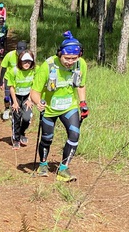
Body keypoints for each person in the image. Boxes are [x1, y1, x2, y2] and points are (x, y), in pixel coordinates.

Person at [30, 31, 89, 182]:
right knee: (47, 138)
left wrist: (83, 103)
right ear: (59, 54)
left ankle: (63, 168)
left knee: (74, 134)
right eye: (66, 58)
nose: (70, 62)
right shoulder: (48, 66)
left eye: (73, 58)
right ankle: (43, 164)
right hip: (49, 109)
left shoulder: (80, 64)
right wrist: (38, 103)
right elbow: (34, 91)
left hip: (69, 107)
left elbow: (81, 85)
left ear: (79, 56)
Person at [6, 50, 36, 149]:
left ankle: (22, 132)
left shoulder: (34, 71)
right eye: (24, 61)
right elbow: (11, 87)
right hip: (16, 96)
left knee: (27, 118)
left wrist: (30, 99)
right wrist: (14, 102)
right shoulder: (13, 71)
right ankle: (16, 138)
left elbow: (35, 85)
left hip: (28, 96)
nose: (27, 64)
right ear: (20, 61)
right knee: (17, 117)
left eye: (29, 61)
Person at [0, 41, 27, 120]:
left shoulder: (27, 56)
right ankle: (7, 109)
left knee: (19, 96)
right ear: (16, 49)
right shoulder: (9, 55)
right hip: (9, 78)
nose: (20, 54)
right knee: (7, 97)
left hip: (21, 80)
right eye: (19, 52)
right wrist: (1, 82)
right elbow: (3, 68)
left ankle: (19, 112)